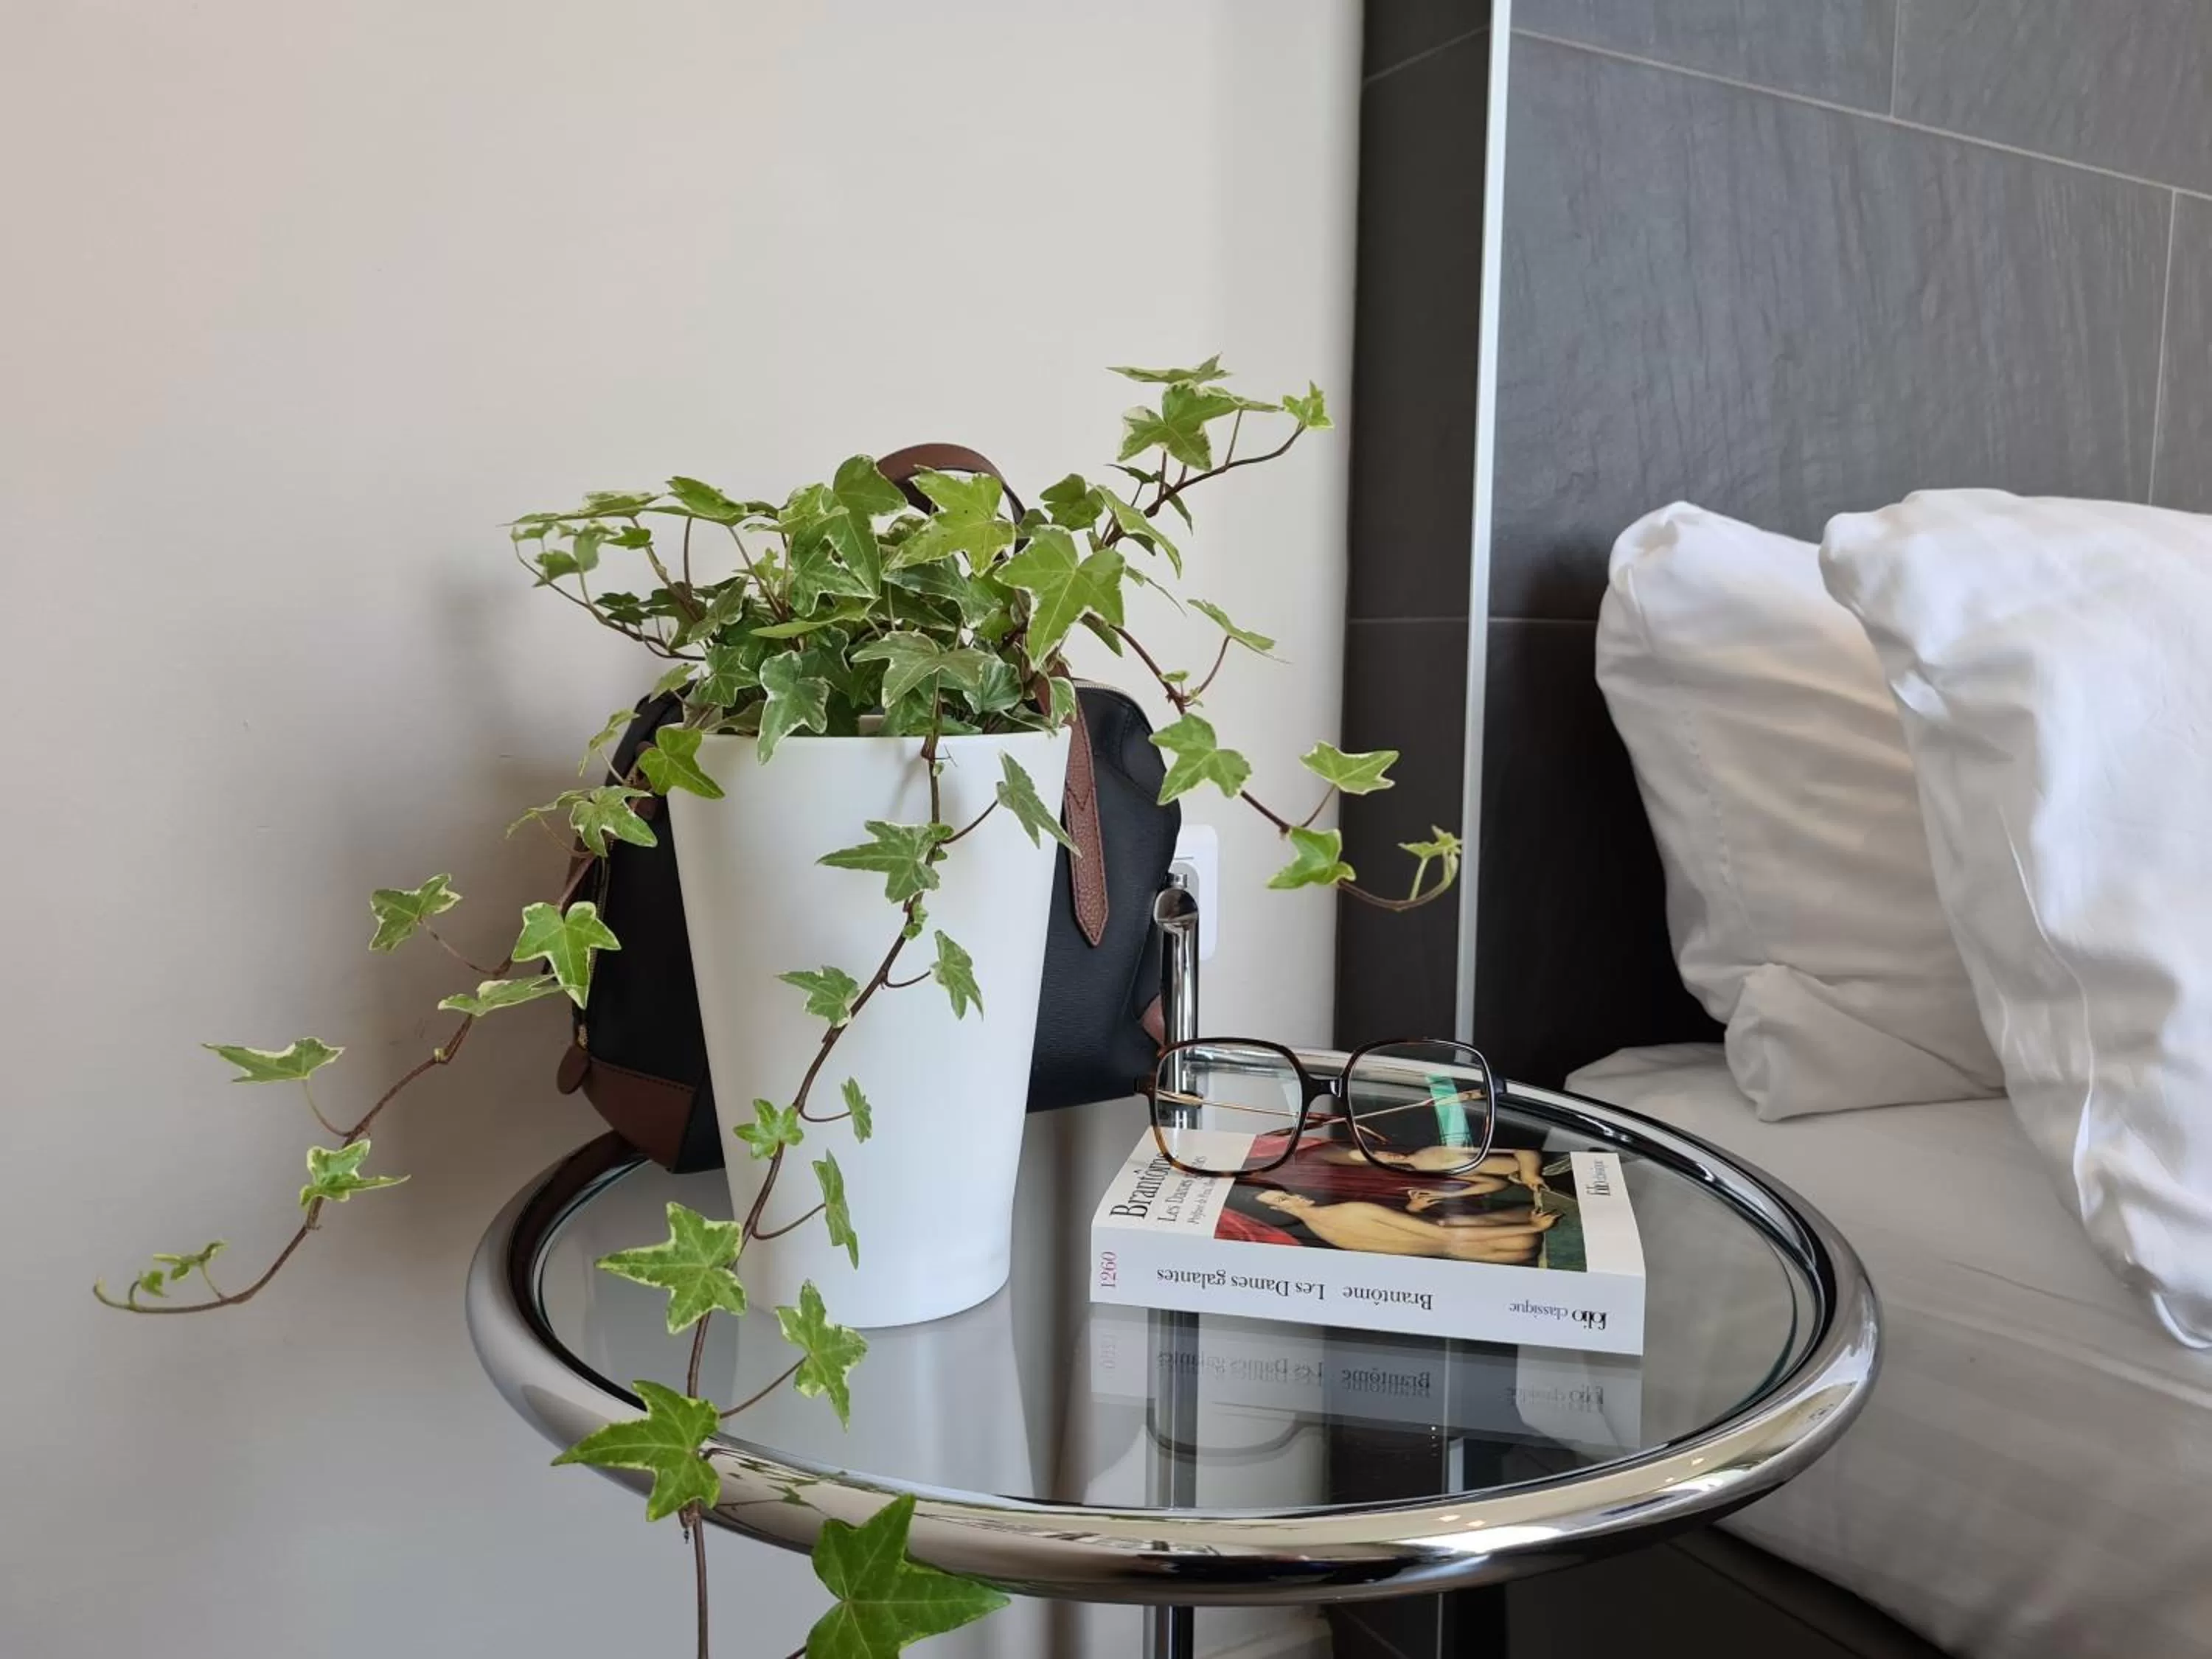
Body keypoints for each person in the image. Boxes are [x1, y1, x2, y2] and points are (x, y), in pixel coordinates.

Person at [1250, 1188, 1559, 1265]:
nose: (1294, 1196)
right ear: (1277, 1210)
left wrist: (1412, 1210)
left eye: (1285, 1192)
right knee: (1527, 1242)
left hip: (1458, 1248)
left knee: (1527, 1245)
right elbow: (1445, 1234)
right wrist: (1532, 1227)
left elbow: (1398, 1237)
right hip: (1461, 1239)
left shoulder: (1325, 1232)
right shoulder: (1347, 1213)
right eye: (1284, 1199)